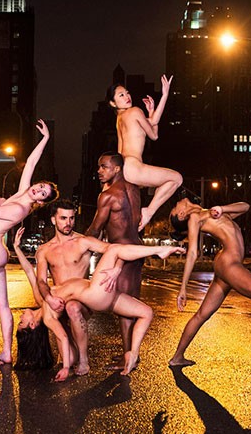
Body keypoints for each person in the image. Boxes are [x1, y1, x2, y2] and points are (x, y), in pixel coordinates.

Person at [0, 119, 58, 365]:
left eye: (43, 193)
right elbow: (31, 163)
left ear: (41, 202)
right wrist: (45, 139)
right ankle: (6, 352)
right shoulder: (22, 193)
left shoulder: (18, 208)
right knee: (2, 304)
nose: (38, 190)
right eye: (41, 186)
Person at [167, 199, 251, 386]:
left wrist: (222, 209)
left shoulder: (210, 212)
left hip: (227, 264)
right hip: (229, 263)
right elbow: (192, 253)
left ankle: (177, 357)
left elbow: (246, 206)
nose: (178, 201)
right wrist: (183, 287)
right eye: (176, 207)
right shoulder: (195, 218)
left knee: (202, 314)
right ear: (181, 215)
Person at [43, 242, 185, 381]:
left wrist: (19, 250)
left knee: (146, 312)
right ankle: (159, 250)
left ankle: (133, 353)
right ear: (32, 324)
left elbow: (36, 280)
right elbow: (63, 337)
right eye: (26, 320)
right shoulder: (47, 315)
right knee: (114, 250)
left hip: (103, 294)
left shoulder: (47, 297)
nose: (26, 315)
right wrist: (66, 367)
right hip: (95, 294)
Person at [35, 201, 111, 376]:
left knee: (73, 307)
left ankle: (84, 361)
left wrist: (115, 269)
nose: (68, 223)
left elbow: (112, 249)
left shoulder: (83, 242)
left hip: (81, 300)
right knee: (68, 358)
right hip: (59, 301)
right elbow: (41, 281)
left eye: (71, 218)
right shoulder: (44, 250)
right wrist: (49, 299)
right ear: (53, 220)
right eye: (63, 218)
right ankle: (71, 353)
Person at [85, 151, 143, 370]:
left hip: (122, 252)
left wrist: (79, 243)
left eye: (104, 167)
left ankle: (129, 357)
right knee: (131, 302)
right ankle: (131, 353)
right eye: (99, 167)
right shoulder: (134, 189)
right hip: (136, 249)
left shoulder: (108, 196)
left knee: (124, 307)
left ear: (117, 169)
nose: (99, 171)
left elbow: (95, 228)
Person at [108, 75, 182, 231]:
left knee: (164, 186)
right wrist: (165, 95)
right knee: (176, 179)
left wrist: (150, 113)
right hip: (133, 167)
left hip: (123, 170)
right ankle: (149, 212)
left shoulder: (120, 119)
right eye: (121, 95)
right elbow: (153, 129)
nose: (127, 97)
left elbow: (153, 133)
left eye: (127, 93)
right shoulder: (134, 111)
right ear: (113, 103)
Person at [11, 226, 55, 371]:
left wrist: (16, 248)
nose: (20, 316)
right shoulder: (52, 315)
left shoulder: (40, 300)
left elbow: (30, 271)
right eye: (21, 322)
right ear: (32, 324)